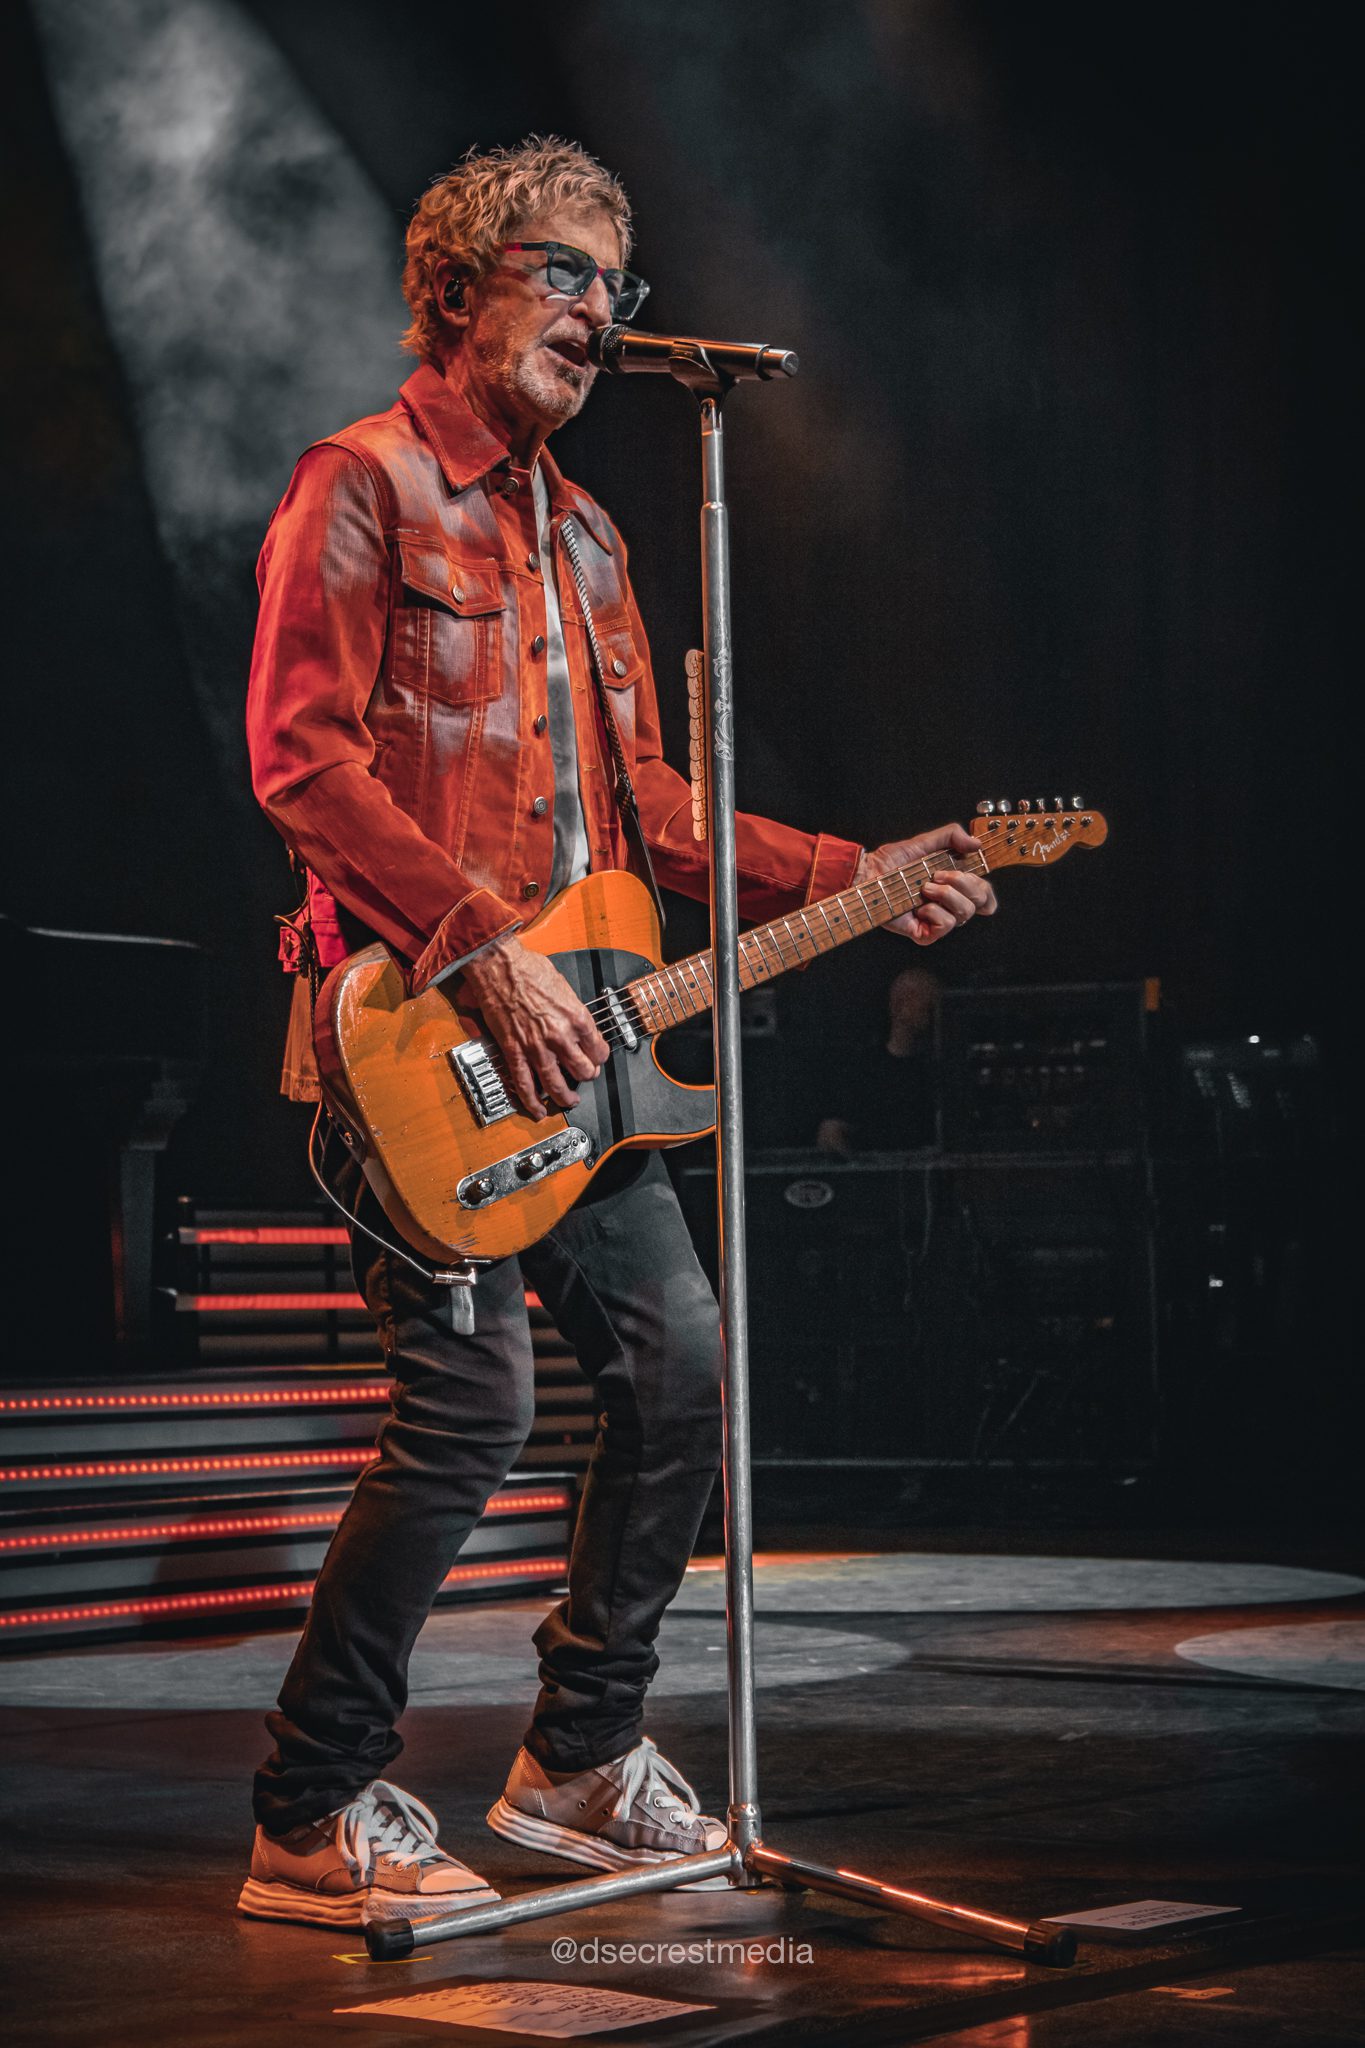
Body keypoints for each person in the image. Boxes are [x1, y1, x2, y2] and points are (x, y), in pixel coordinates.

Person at [239, 137, 997, 1930]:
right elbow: (301, 755)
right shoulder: (359, 487)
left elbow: (651, 806)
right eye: (567, 273)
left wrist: (859, 870)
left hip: (586, 1053)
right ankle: (311, 1798)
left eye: (618, 284)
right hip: (409, 1030)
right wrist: (474, 937)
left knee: (676, 1364)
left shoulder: (589, 534)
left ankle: (581, 1754)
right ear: (459, 288)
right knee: (474, 1400)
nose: (603, 313)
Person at [815, 965, 941, 1155]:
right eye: (929, 1006)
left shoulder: (940, 1070)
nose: (937, 1014)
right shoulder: (863, 1071)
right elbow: (830, 1133)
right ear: (900, 1006)